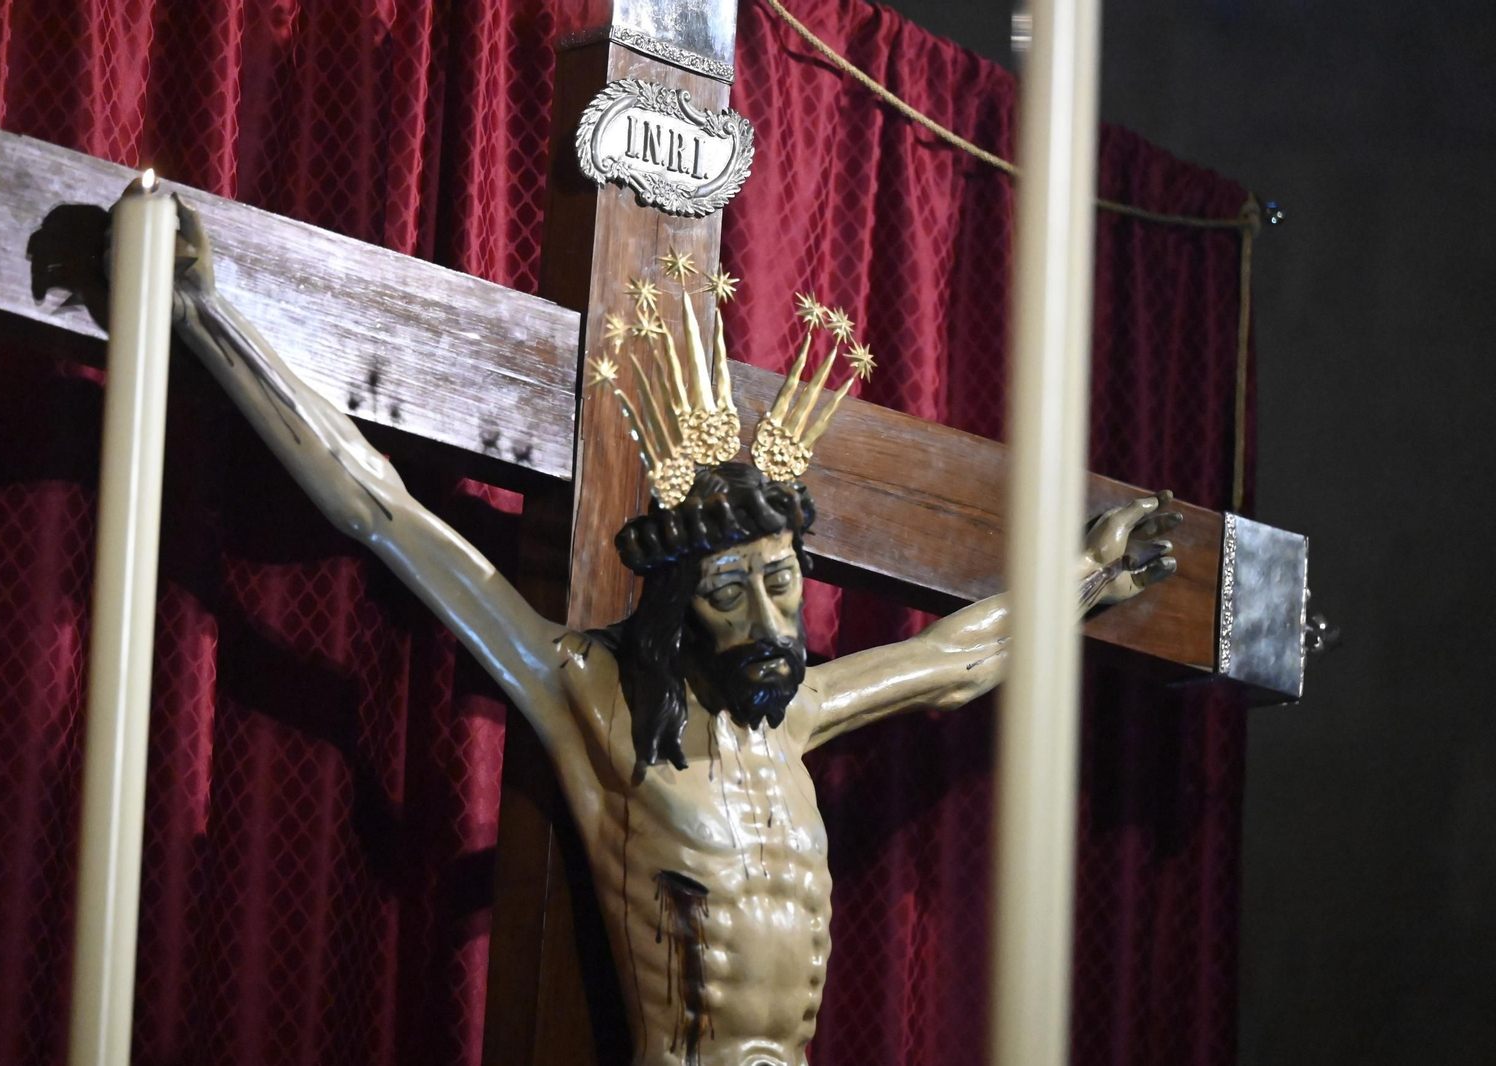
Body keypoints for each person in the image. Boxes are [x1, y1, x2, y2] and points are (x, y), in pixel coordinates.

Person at [165, 199, 1179, 1066]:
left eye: (780, 583)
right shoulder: (594, 698)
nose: (768, 618)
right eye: (727, 592)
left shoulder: (798, 716)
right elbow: (384, 515)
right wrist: (211, 319)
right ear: (675, 603)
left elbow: (953, 661)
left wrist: (1092, 573)